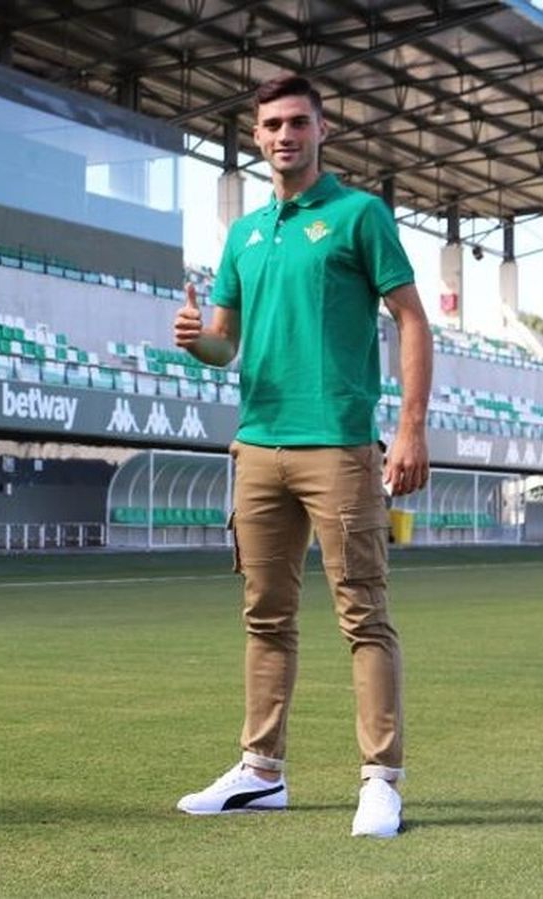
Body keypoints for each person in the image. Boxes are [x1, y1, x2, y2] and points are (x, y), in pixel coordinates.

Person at [171, 73, 432, 838]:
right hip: (257, 447)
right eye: (271, 126)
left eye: (297, 123)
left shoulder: (360, 215)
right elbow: (226, 343)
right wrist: (200, 342)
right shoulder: (245, 234)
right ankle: (260, 772)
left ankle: (381, 779)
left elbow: (412, 320)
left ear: (322, 132)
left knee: (364, 616)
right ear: (255, 139)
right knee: (264, 616)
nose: (284, 135)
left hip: (340, 446)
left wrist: (411, 426)